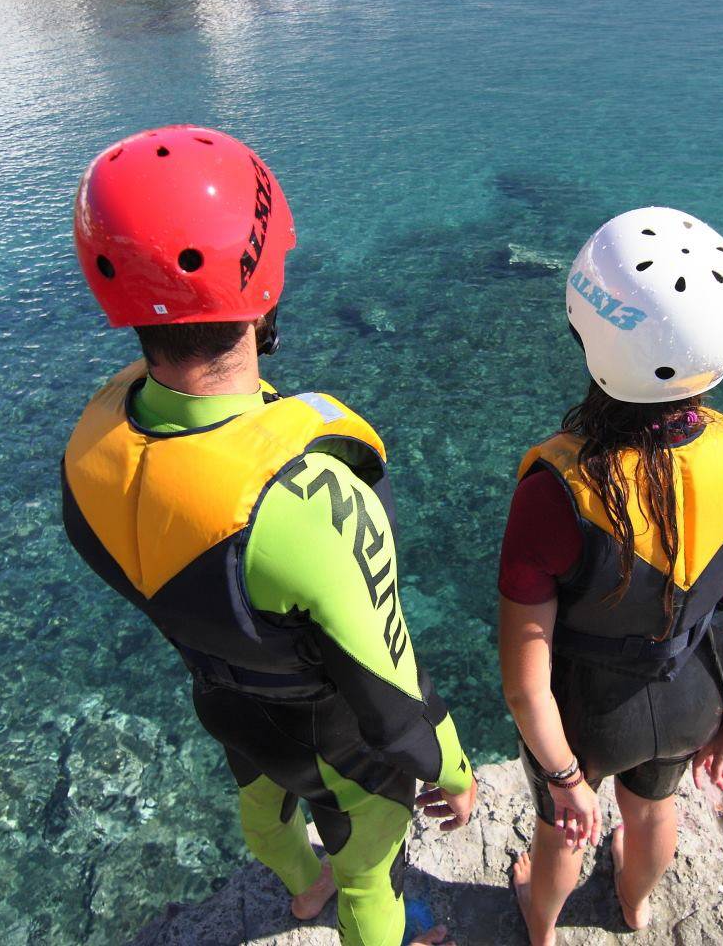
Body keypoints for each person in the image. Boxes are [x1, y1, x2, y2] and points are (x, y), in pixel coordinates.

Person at [60, 125, 477, 946]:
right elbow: (390, 695)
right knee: (369, 869)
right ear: (265, 281)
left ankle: (299, 890)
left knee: (263, 812)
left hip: (230, 714)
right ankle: (359, 911)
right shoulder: (306, 501)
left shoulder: (87, 461)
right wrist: (452, 770)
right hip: (338, 748)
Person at [497, 207, 723, 945]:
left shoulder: (555, 489)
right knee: (656, 813)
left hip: (586, 715)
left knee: (564, 829)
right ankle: (635, 907)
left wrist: (565, 778)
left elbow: (524, 682)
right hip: (694, 696)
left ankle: (540, 921)